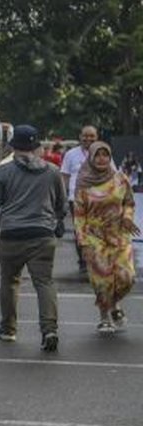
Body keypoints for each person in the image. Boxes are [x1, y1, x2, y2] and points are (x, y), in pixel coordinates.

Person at [0, 125, 67, 351]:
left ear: (12, 146)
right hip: (42, 235)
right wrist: (55, 219)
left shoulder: (4, 171)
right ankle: (49, 329)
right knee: (44, 282)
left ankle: (8, 328)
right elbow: (62, 205)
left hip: (11, 235)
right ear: (37, 146)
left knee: (10, 281)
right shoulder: (52, 171)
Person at [73, 141, 138, 334]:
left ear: (110, 158)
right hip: (95, 237)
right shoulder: (83, 184)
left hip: (119, 235)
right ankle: (104, 318)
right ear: (91, 158)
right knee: (102, 281)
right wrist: (83, 243)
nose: (102, 159)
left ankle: (115, 304)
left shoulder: (120, 179)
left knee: (127, 277)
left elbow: (129, 202)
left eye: (105, 155)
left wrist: (127, 218)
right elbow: (79, 216)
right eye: (98, 155)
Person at [61, 126, 114, 274]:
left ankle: (98, 260)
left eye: (91, 136)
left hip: (99, 200)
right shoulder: (70, 154)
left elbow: (113, 175)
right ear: (80, 137)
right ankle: (84, 262)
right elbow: (65, 176)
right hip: (76, 200)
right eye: (85, 136)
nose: (88, 139)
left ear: (97, 137)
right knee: (81, 231)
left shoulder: (104, 153)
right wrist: (62, 197)